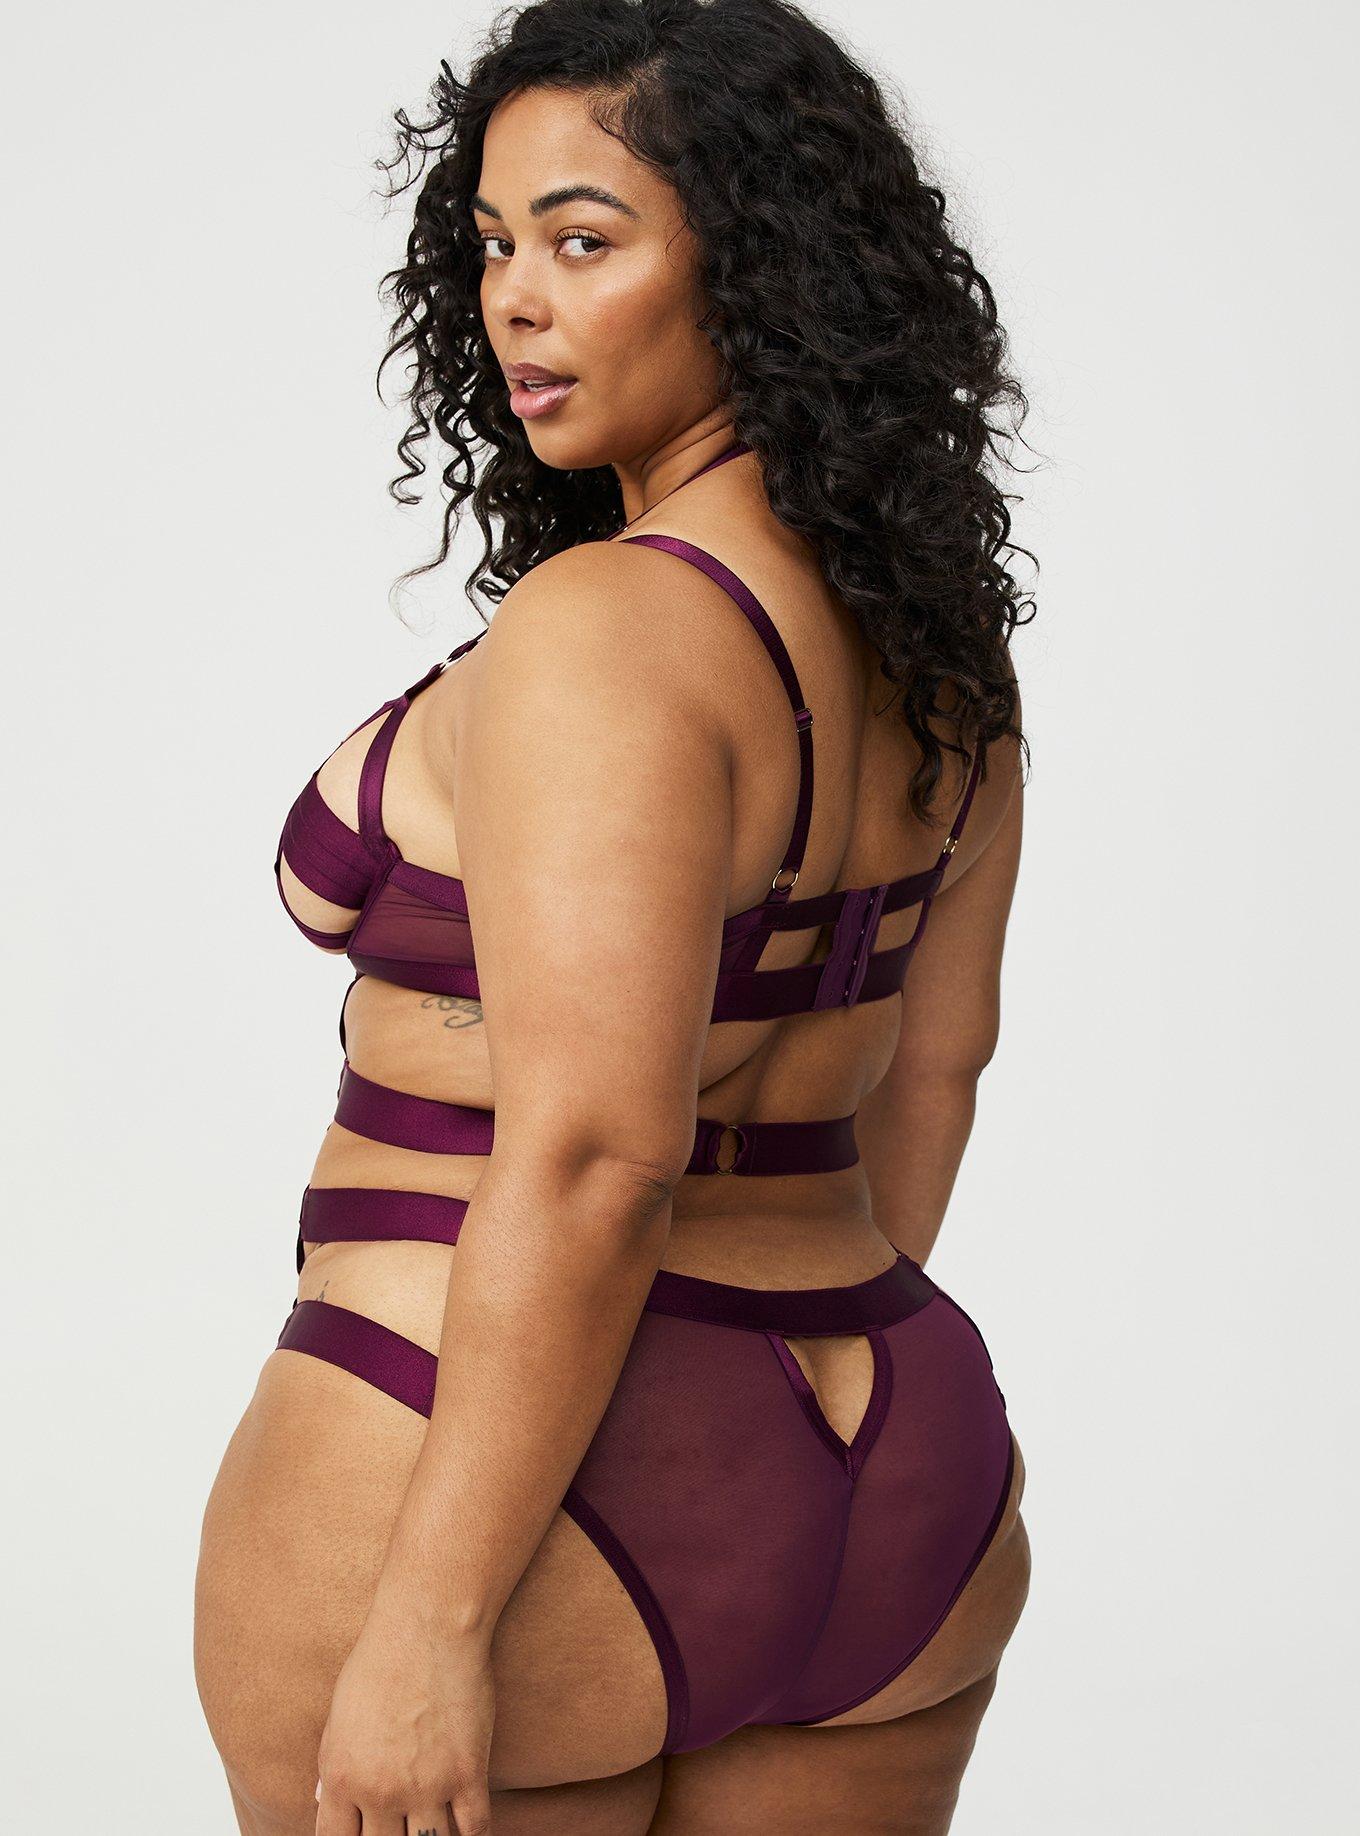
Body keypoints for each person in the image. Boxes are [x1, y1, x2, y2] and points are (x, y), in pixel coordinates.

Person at [194, 2, 1035, 1829]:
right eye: (494, 244)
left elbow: (593, 1152)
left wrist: (432, 1621)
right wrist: (772, 1424)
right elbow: (935, 1070)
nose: (514, 298)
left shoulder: (603, 632)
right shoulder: (940, 652)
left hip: (508, 1480)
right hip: (893, 1458)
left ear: (763, 267)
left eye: (584, 242)